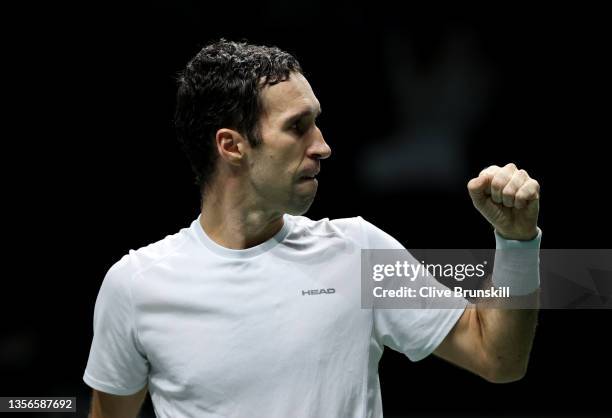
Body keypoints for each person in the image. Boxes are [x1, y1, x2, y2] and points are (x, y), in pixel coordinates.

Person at [83, 39, 542, 418]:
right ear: (232, 146)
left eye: (316, 123)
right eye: (297, 127)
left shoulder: (359, 252)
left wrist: (517, 243)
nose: (322, 146)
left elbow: (497, 357)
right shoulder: (135, 286)